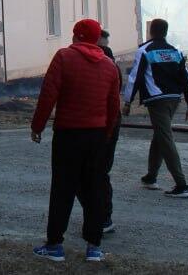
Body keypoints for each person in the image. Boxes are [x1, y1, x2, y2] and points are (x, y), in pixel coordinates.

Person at [30, 18, 121, 263]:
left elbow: (48, 95)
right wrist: (107, 133)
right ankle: (94, 247)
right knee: (95, 189)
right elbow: (114, 106)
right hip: (97, 135)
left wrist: (37, 126)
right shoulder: (109, 66)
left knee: (63, 188)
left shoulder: (63, 58)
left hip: (68, 134)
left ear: (78, 37)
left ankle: (55, 245)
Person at [122, 18, 188, 198]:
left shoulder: (145, 51)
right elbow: (186, 79)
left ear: (151, 32)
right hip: (174, 100)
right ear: (165, 32)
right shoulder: (175, 51)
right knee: (160, 135)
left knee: (165, 137)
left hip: (157, 100)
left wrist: (127, 102)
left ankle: (182, 185)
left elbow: (135, 78)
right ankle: (150, 177)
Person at [97, 30, 119, 235]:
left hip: (97, 127)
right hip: (108, 127)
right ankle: (103, 217)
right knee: (101, 172)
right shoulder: (112, 64)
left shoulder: (102, 63)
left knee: (96, 173)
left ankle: (102, 217)